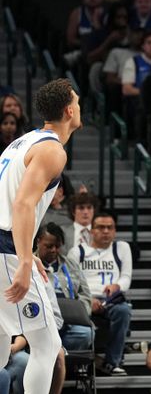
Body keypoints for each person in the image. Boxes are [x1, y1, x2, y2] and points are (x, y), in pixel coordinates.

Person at [0, 78, 80, 392]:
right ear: (70, 110)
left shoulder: (24, 141)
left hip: (5, 246)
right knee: (47, 346)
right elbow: (21, 204)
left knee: (2, 340)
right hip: (5, 248)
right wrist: (22, 261)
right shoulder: (52, 151)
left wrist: (27, 253)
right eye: (78, 101)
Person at [68, 213, 133, 375]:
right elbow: (71, 282)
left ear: (115, 231)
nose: (105, 231)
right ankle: (80, 364)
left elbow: (126, 276)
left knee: (123, 310)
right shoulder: (77, 252)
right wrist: (88, 299)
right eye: (100, 227)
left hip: (111, 300)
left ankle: (113, 362)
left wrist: (117, 285)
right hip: (84, 299)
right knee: (79, 314)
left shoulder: (121, 248)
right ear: (91, 231)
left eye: (109, 228)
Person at [36, 222, 94, 351]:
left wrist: (77, 313)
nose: (53, 250)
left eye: (57, 246)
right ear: (38, 242)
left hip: (70, 323)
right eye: (49, 246)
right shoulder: (30, 265)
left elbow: (85, 294)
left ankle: (61, 354)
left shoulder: (71, 265)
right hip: (42, 323)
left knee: (86, 333)